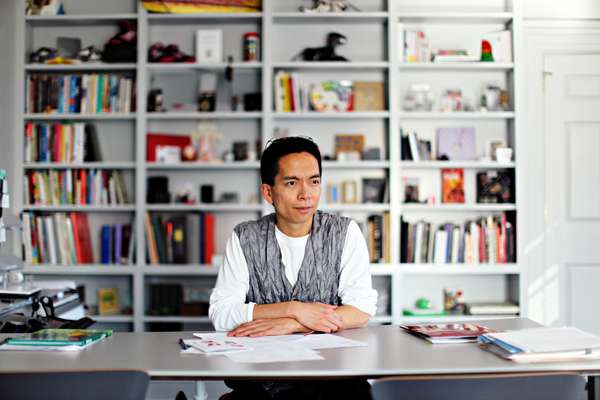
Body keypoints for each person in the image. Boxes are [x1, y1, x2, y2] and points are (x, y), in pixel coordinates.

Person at [209, 136, 378, 399]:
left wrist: (292, 324)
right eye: (291, 182)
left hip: (332, 377)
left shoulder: (345, 233)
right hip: (262, 379)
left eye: (314, 181)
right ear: (268, 192)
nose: (306, 194)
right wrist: (294, 309)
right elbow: (221, 313)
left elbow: (361, 309)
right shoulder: (245, 237)